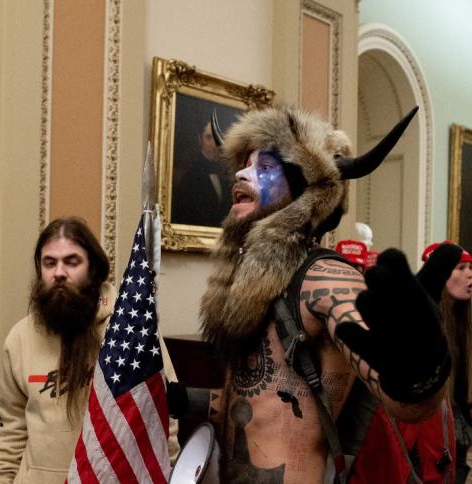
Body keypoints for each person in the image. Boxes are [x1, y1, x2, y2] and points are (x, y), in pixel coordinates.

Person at [170, 104, 458, 483]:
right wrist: (175, 398)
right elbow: (250, 402)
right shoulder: (252, 290)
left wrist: (420, 370)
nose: (241, 173)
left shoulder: (326, 279)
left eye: (266, 166)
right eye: (245, 163)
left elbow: (406, 403)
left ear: (306, 193)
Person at [0, 216, 179, 483]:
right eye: (49, 263)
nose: (59, 273)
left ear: (93, 269)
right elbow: (11, 434)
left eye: (72, 261)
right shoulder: (19, 338)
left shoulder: (132, 333)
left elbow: (163, 422)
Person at [423, 241, 472, 483]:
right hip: (429, 433)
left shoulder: (466, 322)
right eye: (460, 268)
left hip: (459, 432)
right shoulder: (425, 320)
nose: (469, 275)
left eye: (470, 268)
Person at [171, 120, 233, 227]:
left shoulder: (226, 175)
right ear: (200, 139)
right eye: (208, 138)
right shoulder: (190, 178)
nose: (214, 144)